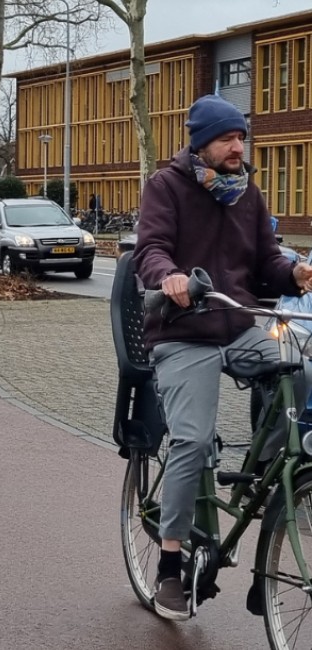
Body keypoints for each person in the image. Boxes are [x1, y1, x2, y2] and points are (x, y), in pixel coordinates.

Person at [133, 94, 312, 620]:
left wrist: (294, 274)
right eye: (227, 139)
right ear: (201, 143)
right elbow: (151, 249)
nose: (238, 147)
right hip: (183, 331)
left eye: (241, 138)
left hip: (236, 326)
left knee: (302, 369)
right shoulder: (166, 186)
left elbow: (267, 262)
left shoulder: (248, 194)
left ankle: (262, 474)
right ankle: (169, 564)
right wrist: (170, 277)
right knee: (190, 438)